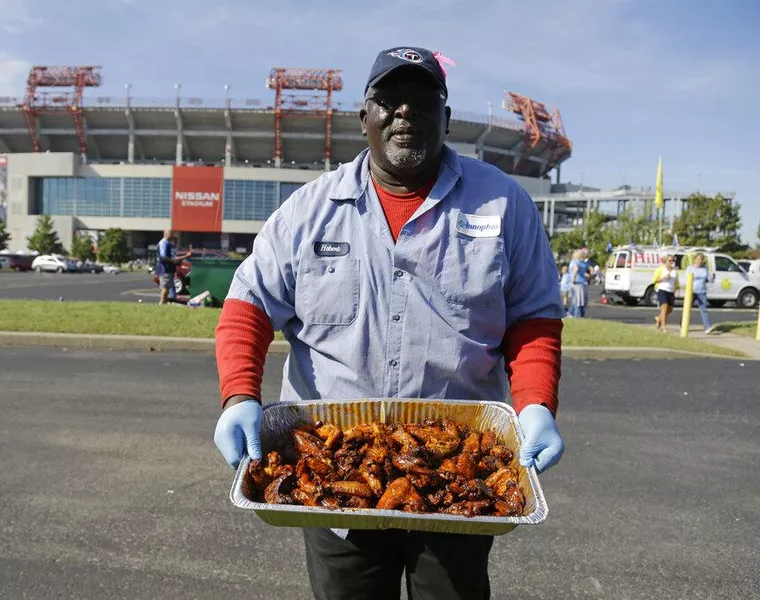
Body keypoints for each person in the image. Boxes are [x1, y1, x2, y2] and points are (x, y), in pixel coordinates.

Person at [212, 46, 565, 600]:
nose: (406, 113)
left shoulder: (503, 205)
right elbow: (246, 308)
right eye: (389, 101)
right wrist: (239, 398)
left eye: (424, 102)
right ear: (365, 118)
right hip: (333, 478)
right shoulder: (309, 210)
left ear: (447, 119)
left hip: (460, 476)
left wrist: (537, 405)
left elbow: (533, 318)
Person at [156, 230, 190, 305]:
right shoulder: (163, 243)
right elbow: (163, 256)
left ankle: (164, 302)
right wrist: (172, 261)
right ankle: (162, 302)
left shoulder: (168, 243)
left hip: (168, 268)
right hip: (165, 268)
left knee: (167, 286)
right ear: (166, 234)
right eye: (171, 235)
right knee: (165, 286)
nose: (172, 236)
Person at [686, 253, 715, 334]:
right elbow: (687, 279)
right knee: (688, 309)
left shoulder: (705, 268)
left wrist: (712, 278)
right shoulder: (690, 268)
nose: (699, 261)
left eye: (701, 259)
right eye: (698, 259)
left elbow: (708, 279)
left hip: (702, 292)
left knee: (703, 309)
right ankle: (683, 325)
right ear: (695, 259)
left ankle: (708, 327)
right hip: (691, 291)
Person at [652, 254, 679, 333]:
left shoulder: (674, 271)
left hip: (671, 291)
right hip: (662, 290)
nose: (671, 262)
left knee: (669, 310)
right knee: (664, 307)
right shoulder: (661, 269)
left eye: (673, 261)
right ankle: (664, 326)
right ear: (666, 261)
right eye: (669, 261)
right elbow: (654, 280)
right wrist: (664, 278)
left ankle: (659, 318)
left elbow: (676, 282)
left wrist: (677, 289)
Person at [568, 249, 590, 318]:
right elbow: (580, 271)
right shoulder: (582, 263)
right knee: (581, 301)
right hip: (582, 283)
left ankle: (574, 314)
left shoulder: (575, 262)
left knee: (576, 300)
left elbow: (576, 270)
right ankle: (579, 314)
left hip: (576, 283)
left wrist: (572, 280)